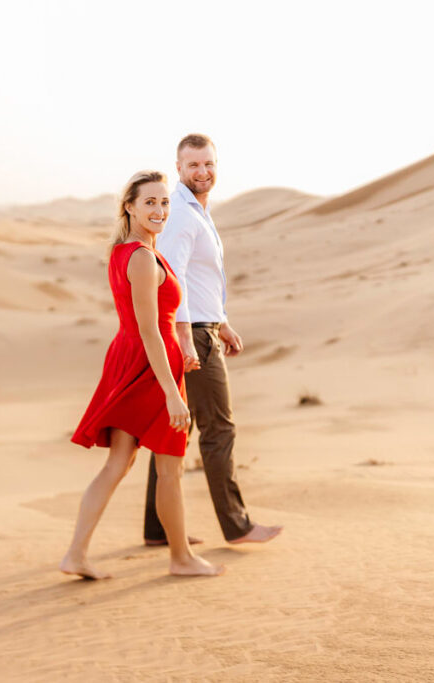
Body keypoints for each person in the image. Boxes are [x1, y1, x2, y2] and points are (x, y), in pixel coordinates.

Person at [61, 170, 224, 579]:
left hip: (136, 360)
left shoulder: (127, 252)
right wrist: (172, 392)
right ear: (129, 207)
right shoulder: (143, 258)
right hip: (150, 368)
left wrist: (182, 351)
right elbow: (150, 330)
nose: (159, 210)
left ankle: (76, 554)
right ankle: (181, 558)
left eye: (165, 202)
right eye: (149, 202)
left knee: (119, 463)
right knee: (169, 469)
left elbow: (152, 327)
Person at [143, 135, 282, 546]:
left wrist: (221, 322)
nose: (202, 172)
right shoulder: (183, 215)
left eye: (208, 164)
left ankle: (158, 530)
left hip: (202, 329)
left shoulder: (197, 211)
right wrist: (188, 339)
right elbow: (172, 278)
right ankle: (237, 526)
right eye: (193, 166)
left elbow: (200, 280)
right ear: (179, 168)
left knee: (176, 430)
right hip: (191, 338)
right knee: (219, 429)